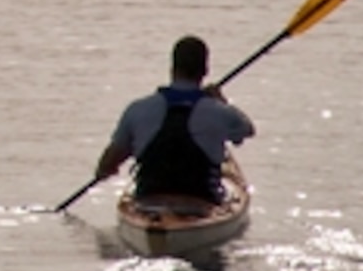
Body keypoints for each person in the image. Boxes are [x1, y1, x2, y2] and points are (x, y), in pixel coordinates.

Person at [94, 35, 255, 203]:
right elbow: (247, 130)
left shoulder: (138, 109)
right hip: (202, 201)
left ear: (172, 68)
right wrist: (221, 101)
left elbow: (107, 164)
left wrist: (105, 170)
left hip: (149, 200)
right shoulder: (220, 112)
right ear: (205, 70)